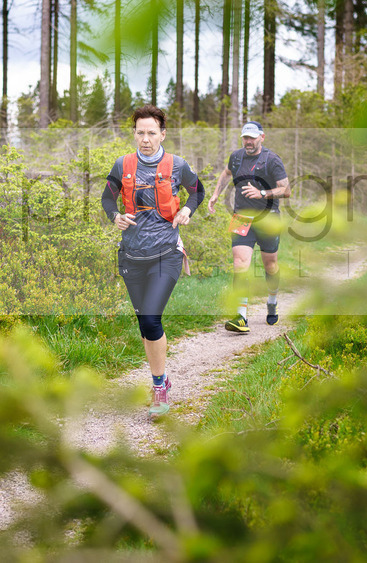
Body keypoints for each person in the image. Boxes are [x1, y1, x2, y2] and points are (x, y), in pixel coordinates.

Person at [102, 105, 205, 419]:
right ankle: (161, 378)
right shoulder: (123, 165)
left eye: (151, 132)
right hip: (131, 256)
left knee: (150, 319)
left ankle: (159, 387)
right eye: (140, 132)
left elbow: (197, 191)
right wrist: (115, 216)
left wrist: (188, 209)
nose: (145, 139)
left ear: (163, 134)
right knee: (146, 327)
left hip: (166, 253)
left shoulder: (177, 165)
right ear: (134, 133)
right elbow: (107, 198)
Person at [207, 120, 290, 333]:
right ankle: (241, 317)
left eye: (252, 137)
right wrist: (216, 194)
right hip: (241, 217)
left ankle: (272, 302)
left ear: (262, 137)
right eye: (245, 137)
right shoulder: (236, 157)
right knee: (240, 262)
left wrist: (263, 193)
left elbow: (286, 190)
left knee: (270, 265)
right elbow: (226, 173)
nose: (248, 141)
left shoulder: (272, 160)